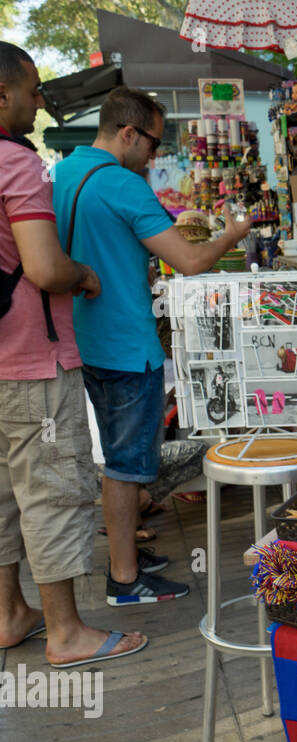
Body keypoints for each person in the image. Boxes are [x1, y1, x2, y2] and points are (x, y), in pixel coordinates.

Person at [53, 87, 251, 605]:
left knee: (120, 458)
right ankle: (124, 579)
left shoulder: (68, 170)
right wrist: (233, 234)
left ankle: (127, 556)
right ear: (127, 133)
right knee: (125, 465)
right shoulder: (124, 185)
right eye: (154, 143)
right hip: (125, 343)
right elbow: (189, 261)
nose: (156, 155)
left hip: (85, 336)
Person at [0, 42, 148, 666]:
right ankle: (66, 632)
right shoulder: (16, 165)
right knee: (53, 491)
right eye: (32, 91)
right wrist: (83, 273)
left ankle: (10, 613)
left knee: (7, 493)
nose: (40, 104)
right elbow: (42, 267)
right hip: (32, 356)